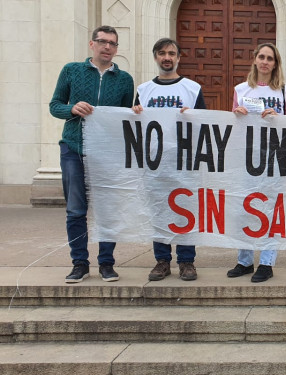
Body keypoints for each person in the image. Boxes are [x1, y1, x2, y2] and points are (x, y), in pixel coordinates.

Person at [49, 25, 134, 283]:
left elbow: (124, 117)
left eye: (113, 43)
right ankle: (79, 263)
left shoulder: (125, 80)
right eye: (103, 42)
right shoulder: (71, 71)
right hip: (74, 147)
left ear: (117, 49)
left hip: (107, 154)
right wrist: (72, 109)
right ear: (92, 44)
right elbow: (55, 105)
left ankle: (107, 263)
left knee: (108, 210)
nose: (108, 47)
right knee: (76, 209)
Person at [132, 38, 206, 281]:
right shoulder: (143, 90)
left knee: (185, 211)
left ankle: (187, 261)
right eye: (162, 53)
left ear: (178, 57)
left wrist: (193, 117)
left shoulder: (192, 88)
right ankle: (162, 260)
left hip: (183, 161)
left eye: (171, 53)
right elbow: (132, 128)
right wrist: (135, 114)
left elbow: (205, 126)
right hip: (154, 162)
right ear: (155, 57)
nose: (167, 57)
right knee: (159, 212)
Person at [228, 42, 286, 283]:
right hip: (248, 156)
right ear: (255, 59)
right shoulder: (241, 89)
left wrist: (279, 118)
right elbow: (233, 126)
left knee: (272, 209)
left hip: (275, 157)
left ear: (275, 63)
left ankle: (267, 263)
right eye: (262, 57)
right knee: (244, 208)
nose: (265, 61)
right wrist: (236, 115)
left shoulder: (285, 90)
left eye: (270, 58)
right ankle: (244, 260)